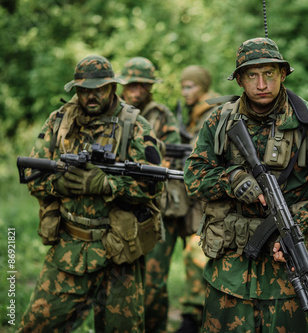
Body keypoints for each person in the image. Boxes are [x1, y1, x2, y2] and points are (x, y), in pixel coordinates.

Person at [183, 37, 308, 332]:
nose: (262, 84)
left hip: (290, 270)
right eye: (252, 75)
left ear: (283, 74)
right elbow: (193, 176)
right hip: (230, 268)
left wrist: (293, 227)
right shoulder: (219, 121)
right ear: (239, 80)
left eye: (269, 74)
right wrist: (232, 180)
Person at [17, 55, 163, 332]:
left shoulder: (135, 125)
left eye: (99, 88)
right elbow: (33, 177)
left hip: (120, 252)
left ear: (112, 87)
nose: (91, 95)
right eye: (84, 90)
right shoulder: (59, 122)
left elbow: (154, 186)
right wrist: (60, 185)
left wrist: (107, 185)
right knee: (35, 326)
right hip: (69, 247)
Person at [117, 56, 182, 333]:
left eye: (143, 84)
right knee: (118, 284)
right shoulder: (111, 113)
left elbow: (175, 157)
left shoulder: (162, 115)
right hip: (117, 207)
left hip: (155, 208)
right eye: (132, 84)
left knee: (153, 283)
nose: (137, 90)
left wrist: (147, 173)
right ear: (123, 86)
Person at [173, 65, 221, 333]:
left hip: (209, 199)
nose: (185, 91)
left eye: (190, 86)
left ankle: (193, 316)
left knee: (196, 256)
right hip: (194, 200)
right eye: (183, 86)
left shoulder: (211, 112)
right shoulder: (194, 114)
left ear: (202, 86)